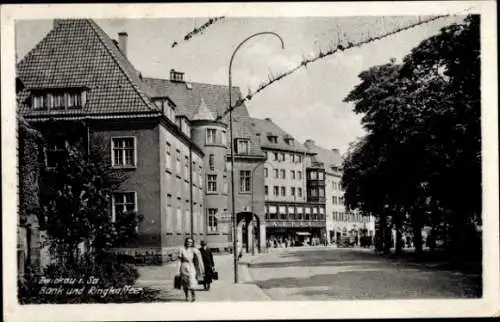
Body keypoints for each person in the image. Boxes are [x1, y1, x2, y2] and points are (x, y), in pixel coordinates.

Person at [175, 237, 204, 302]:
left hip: (191, 266)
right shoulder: (181, 249)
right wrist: (178, 270)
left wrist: (200, 267)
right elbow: (179, 260)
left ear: (192, 243)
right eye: (188, 242)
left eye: (191, 242)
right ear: (185, 242)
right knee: (185, 283)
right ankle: (187, 296)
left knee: (192, 281)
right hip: (184, 266)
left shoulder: (194, 250)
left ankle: (193, 296)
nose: (189, 243)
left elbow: (199, 256)